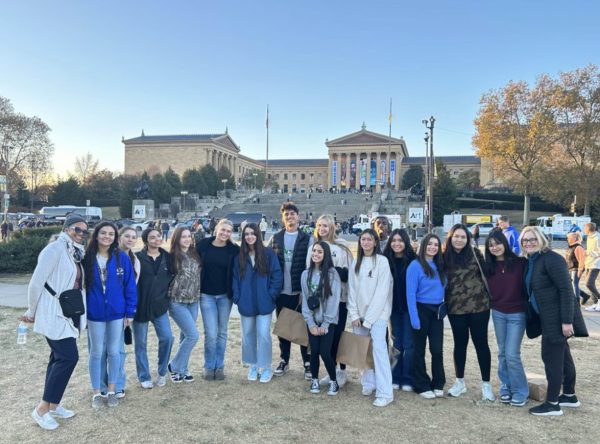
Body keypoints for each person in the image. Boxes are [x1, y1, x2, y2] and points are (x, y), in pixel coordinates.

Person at [20, 215, 88, 430]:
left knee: (58, 357)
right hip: (53, 312)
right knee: (68, 357)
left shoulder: (75, 252)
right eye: (77, 230)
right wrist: (32, 311)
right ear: (67, 229)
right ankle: (41, 409)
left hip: (68, 312)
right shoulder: (54, 249)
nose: (81, 234)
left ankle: (53, 404)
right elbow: (36, 283)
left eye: (85, 231)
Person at [520, 226, 588, 416]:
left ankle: (552, 403)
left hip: (556, 319)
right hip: (545, 317)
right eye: (525, 240)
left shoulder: (552, 259)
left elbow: (566, 291)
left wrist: (566, 322)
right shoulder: (533, 260)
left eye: (532, 239)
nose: (529, 243)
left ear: (541, 239)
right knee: (563, 356)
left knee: (551, 359)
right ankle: (569, 395)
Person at [84, 221, 137, 409]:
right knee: (97, 352)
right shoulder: (87, 257)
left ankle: (113, 390)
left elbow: (130, 287)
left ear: (115, 238)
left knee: (114, 352)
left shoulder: (121, 258)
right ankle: (97, 392)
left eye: (111, 234)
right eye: (103, 233)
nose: (107, 236)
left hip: (117, 313)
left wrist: (130, 312)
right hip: (95, 313)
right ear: (96, 235)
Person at [443, 224, 495, 401]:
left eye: (463, 237)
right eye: (456, 236)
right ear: (450, 238)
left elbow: (488, 272)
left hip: (479, 306)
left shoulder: (475, 253)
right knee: (459, 344)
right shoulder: (444, 256)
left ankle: (486, 384)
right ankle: (460, 382)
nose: (459, 240)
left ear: (468, 239)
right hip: (456, 308)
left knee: (481, 344)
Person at [348, 229, 394, 407]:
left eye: (369, 239)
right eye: (363, 239)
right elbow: (352, 291)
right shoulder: (356, 263)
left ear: (375, 242)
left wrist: (369, 319)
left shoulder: (382, 262)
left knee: (379, 352)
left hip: (378, 315)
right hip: (359, 315)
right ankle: (368, 382)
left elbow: (382, 293)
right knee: (363, 351)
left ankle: (385, 392)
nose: (366, 242)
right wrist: (354, 314)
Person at [307, 214, 353, 388]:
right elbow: (308, 270)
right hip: (318, 301)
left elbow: (348, 272)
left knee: (338, 336)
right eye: (320, 225)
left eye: (326, 226)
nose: (322, 229)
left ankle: (342, 371)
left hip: (338, 299)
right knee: (324, 337)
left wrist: (332, 271)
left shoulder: (342, 246)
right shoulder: (314, 246)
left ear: (332, 227)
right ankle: (331, 369)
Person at [232, 223, 283, 383]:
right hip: (246, 303)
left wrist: (271, 294)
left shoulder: (268, 254)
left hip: (264, 302)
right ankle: (253, 364)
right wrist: (238, 298)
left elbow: (277, 275)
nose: (249, 237)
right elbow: (235, 279)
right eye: (246, 234)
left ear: (258, 235)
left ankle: (266, 366)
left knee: (263, 335)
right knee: (248, 335)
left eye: (253, 233)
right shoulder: (239, 257)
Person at [484, 230, 528, 406]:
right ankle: (506, 387)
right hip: (498, 313)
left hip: (517, 313)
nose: (495, 247)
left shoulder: (520, 263)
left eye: (498, 243)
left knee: (512, 354)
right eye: (491, 245)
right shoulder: (488, 267)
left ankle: (520, 391)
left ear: (505, 243)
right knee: (502, 353)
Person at [268, 202, 312, 379]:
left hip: (299, 292)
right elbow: (267, 260)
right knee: (284, 328)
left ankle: (307, 363)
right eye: (286, 214)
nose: (290, 217)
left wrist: (305, 290)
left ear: (298, 217)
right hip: (282, 291)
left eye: (293, 214)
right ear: (283, 218)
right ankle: (284, 360)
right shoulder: (276, 238)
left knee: (303, 328)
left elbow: (311, 266)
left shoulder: (307, 238)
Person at [196, 218, 240, 380]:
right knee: (211, 333)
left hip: (224, 297)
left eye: (228, 231)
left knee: (222, 332)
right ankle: (208, 366)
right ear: (216, 230)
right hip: (206, 295)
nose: (225, 233)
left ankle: (219, 366)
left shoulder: (233, 250)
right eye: (223, 230)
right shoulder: (203, 245)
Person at [406, 233, 447, 399]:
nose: (432, 247)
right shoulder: (415, 266)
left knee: (437, 350)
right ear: (424, 246)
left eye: (436, 245)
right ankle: (421, 384)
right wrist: (414, 318)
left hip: (437, 312)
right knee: (419, 350)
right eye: (429, 244)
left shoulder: (441, 264)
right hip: (420, 309)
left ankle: (438, 382)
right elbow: (410, 294)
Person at [134, 228, 174, 389]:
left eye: (158, 236)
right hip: (140, 307)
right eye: (152, 237)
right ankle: (144, 376)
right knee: (141, 344)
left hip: (160, 307)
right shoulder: (137, 258)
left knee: (167, 338)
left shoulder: (168, 258)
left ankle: (162, 372)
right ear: (146, 240)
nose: (156, 239)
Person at [302, 241, 341, 396]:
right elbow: (305, 300)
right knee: (314, 351)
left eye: (319, 252)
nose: (316, 254)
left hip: (328, 321)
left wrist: (325, 323)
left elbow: (334, 301)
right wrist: (310, 323)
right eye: (314, 251)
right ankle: (315, 380)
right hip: (312, 321)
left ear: (325, 255)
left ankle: (333, 380)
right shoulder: (306, 274)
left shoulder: (332, 274)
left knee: (325, 352)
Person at [383, 228, 417, 392]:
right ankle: (395, 376)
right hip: (393, 308)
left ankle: (408, 377)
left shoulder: (413, 260)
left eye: (400, 240)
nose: (397, 243)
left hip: (410, 308)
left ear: (406, 242)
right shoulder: (385, 260)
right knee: (396, 343)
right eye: (394, 240)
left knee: (409, 344)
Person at [167, 226, 202, 383]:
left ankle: (183, 369)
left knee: (185, 336)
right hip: (177, 301)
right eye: (183, 237)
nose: (187, 239)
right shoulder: (172, 256)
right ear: (177, 239)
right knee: (193, 335)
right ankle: (174, 366)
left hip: (193, 301)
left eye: (189, 236)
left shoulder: (194, 253)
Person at [566, 232, 588, 306]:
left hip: (576, 268)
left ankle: (576, 302)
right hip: (570, 268)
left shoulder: (578, 247)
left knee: (574, 284)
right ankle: (585, 296)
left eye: (569, 238)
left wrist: (580, 270)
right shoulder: (571, 247)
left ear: (574, 238)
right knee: (571, 285)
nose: (567, 239)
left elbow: (582, 260)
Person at [583, 222, 600, 311]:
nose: (584, 230)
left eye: (584, 228)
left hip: (595, 264)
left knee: (588, 283)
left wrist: (588, 252)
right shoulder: (589, 237)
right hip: (589, 263)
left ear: (588, 229)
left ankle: (599, 299)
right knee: (590, 284)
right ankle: (595, 304)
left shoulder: (597, 238)